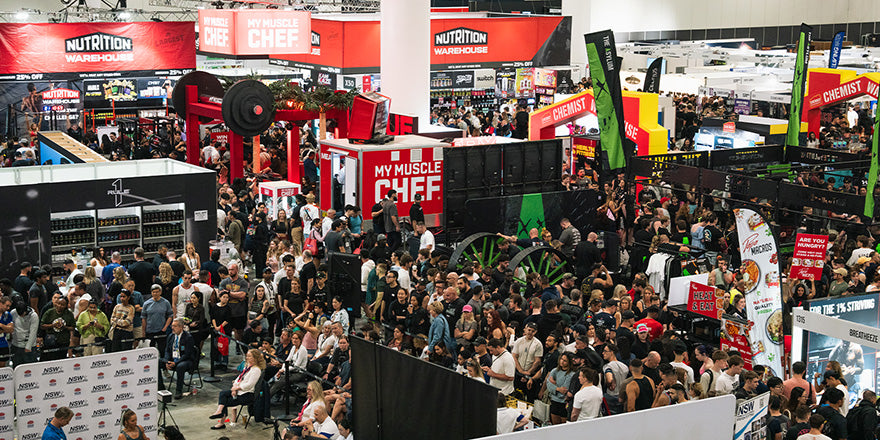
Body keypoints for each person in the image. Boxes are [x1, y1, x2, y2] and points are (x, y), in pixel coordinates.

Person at [210, 348, 265, 429]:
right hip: (239, 391)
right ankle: (219, 411)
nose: (247, 358)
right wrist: (234, 387)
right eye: (247, 356)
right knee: (223, 394)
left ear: (255, 358)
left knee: (224, 401)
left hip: (247, 394)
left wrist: (236, 389)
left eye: (249, 356)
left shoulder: (256, 370)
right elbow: (238, 378)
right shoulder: (247, 367)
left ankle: (221, 420)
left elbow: (249, 385)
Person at [165, 318, 197, 399]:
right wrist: (167, 361)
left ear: (181, 327)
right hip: (173, 359)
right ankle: (160, 388)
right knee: (158, 362)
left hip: (186, 360)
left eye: (175, 326)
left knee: (180, 366)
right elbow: (167, 351)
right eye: (172, 326)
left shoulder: (188, 337)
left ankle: (179, 390)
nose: (172, 328)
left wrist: (175, 363)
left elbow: (187, 354)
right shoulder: (171, 336)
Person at [142, 284, 173, 356]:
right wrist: (143, 331)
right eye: (153, 292)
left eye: (157, 292)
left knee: (162, 350)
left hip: (161, 331)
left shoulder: (166, 303)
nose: (155, 294)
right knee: (150, 352)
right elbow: (143, 318)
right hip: (149, 331)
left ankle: (162, 364)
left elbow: (170, 316)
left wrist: (165, 327)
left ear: (160, 292)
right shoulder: (146, 304)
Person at [40, 296, 75, 361]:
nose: (59, 306)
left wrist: (64, 327)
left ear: (66, 306)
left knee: (61, 360)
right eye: (58, 304)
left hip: (63, 342)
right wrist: (53, 325)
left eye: (62, 305)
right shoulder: (49, 312)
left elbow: (73, 327)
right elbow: (42, 326)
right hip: (51, 342)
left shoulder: (69, 314)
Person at [11, 298, 38, 365]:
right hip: (16, 345)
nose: (21, 316)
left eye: (22, 314)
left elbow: (33, 332)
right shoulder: (13, 313)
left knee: (30, 368)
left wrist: (28, 346)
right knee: (17, 367)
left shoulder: (34, 316)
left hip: (30, 346)